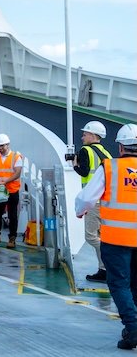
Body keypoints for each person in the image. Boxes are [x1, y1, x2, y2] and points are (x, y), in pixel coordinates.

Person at [76, 124, 137, 350]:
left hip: (116, 239)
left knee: (119, 284)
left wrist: (80, 211)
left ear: (120, 147)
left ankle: (133, 328)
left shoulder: (110, 168)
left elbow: (86, 198)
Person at [70, 120, 114, 282]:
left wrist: (74, 164)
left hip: (92, 200)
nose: (82, 137)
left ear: (93, 135)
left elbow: (84, 172)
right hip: (106, 200)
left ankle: (110, 261)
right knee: (101, 235)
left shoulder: (85, 150)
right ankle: (104, 270)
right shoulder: (106, 152)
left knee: (91, 237)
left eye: (85, 134)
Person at [0, 133, 24, 248]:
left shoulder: (16, 157)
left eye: (2, 146)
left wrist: (6, 181)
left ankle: (12, 238)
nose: (0, 148)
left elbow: (17, 173)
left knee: (12, 215)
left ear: (8, 145)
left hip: (12, 190)